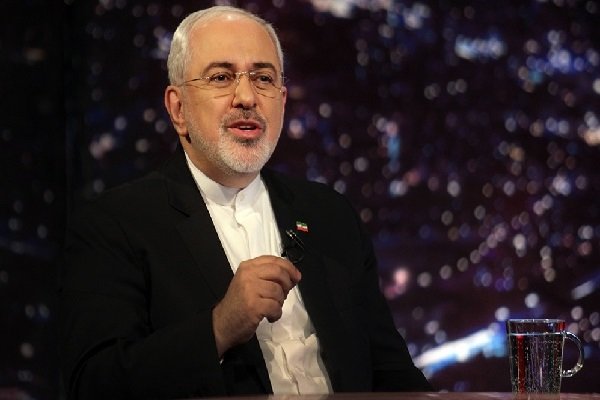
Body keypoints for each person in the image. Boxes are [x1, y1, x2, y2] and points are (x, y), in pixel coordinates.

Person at [59, 5, 432, 399]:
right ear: (178, 108)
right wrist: (219, 327)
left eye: (263, 78)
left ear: (282, 102)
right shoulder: (114, 223)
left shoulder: (329, 214)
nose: (247, 97)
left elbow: (393, 374)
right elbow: (94, 384)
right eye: (221, 77)